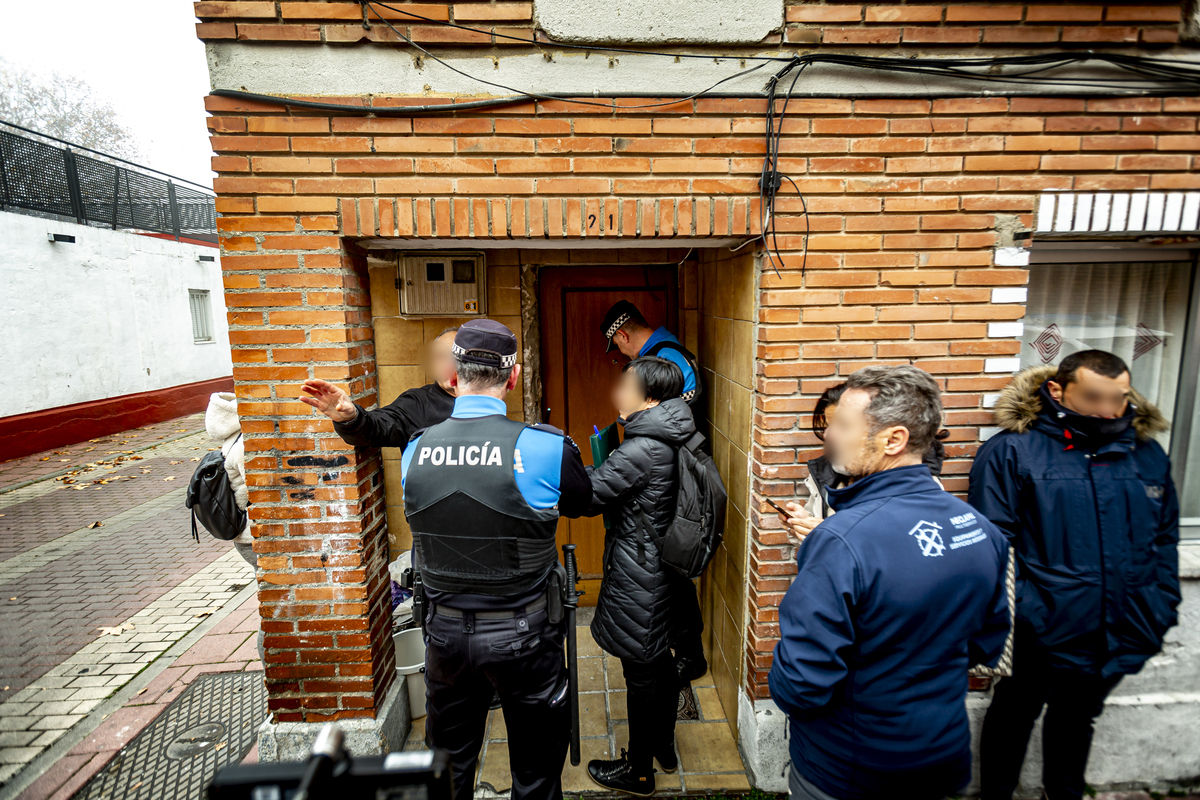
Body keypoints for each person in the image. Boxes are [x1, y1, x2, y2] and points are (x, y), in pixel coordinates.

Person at [768, 366, 1010, 800]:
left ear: (894, 440)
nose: (830, 436)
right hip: (939, 759)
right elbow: (985, 643)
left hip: (850, 771)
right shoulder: (980, 529)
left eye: (843, 425)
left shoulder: (841, 540)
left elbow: (801, 683)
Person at [970, 350, 1180, 800]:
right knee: (1014, 714)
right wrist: (1028, 611)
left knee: (1078, 717)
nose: (1108, 409)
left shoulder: (1146, 455)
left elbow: (1164, 540)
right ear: (1057, 391)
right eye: (1094, 397)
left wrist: (1159, 605)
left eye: (1119, 398)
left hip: (1120, 624)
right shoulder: (1012, 451)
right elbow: (991, 549)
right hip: (1039, 628)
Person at [400, 320, 592, 800]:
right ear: (514, 376)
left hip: (443, 638)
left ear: (453, 375)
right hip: (524, 637)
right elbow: (583, 501)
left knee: (448, 770)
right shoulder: (545, 446)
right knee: (535, 773)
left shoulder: (415, 449)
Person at [584, 357, 696, 795]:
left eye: (626, 384)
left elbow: (591, 496)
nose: (618, 391)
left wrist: (573, 463)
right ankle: (664, 745)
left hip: (640, 573)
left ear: (649, 397)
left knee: (642, 673)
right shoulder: (667, 433)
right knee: (661, 664)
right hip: (663, 567)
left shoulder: (642, 447)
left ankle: (640, 769)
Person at [600, 300, 707, 684]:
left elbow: (674, 427)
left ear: (623, 335)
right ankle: (679, 653)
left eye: (619, 349)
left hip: (671, 492)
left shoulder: (666, 359)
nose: (622, 358)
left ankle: (689, 656)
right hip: (665, 485)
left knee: (673, 579)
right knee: (668, 578)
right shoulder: (667, 352)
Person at [779, 382, 949, 546]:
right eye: (828, 426)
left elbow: (911, 549)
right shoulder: (826, 472)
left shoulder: (922, 489)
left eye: (843, 426)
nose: (829, 435)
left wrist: (833, 534)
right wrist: (801, 524)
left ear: (890, 437)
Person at [299, 326, 458, 446]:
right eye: (441, 357)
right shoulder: (418, 403)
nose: (448, 365)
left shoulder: (483, 398)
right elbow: (377, 427)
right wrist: (352, 419)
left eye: (457, 357)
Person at [204, 391, 265, 661]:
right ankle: (272, 665)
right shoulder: (243, 445)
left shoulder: (235, 436)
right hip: (252, 536)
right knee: (273, 607)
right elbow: (262, 491)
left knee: (270, 601)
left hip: (246, 536)